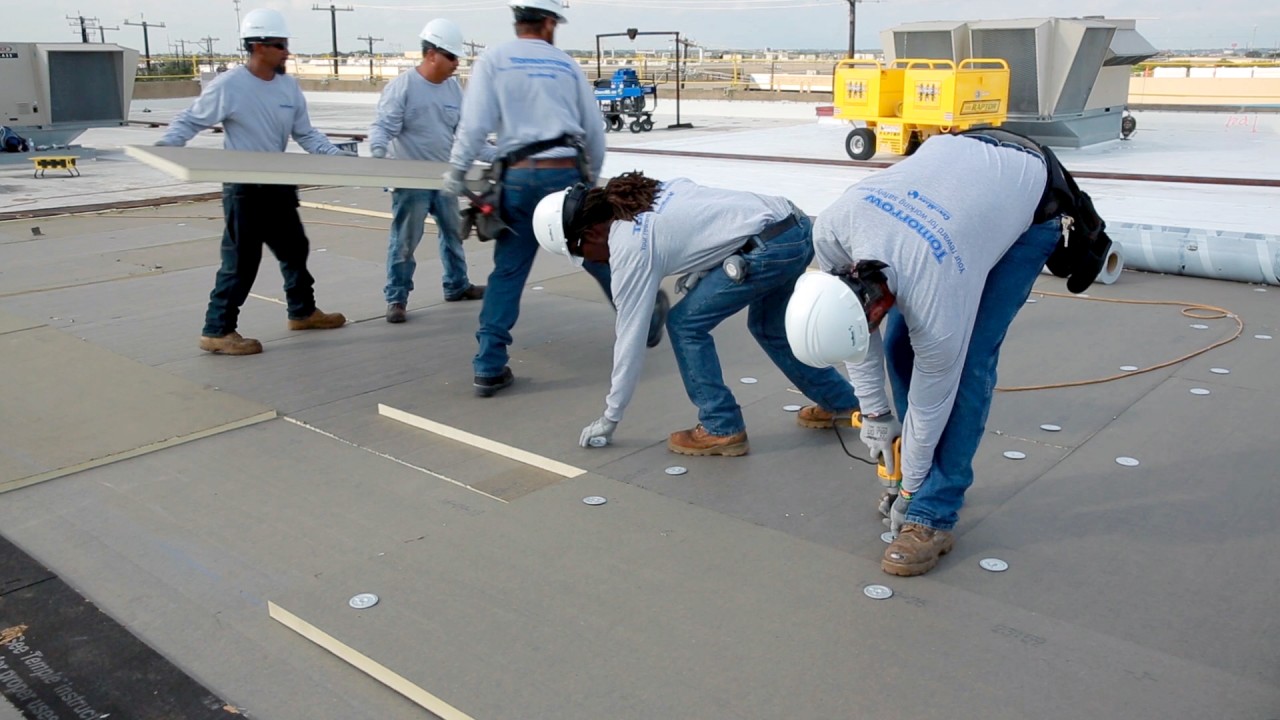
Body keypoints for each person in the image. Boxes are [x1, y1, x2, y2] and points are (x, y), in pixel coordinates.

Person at [787, 131, 1069, 577]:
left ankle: (932, 515)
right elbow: (860, 345)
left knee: (968, 363)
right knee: (900, 347)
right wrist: (877, 418)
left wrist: (911, 491)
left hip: (1029, 202)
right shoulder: (832, 233)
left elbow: (930, 400)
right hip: (959, 178)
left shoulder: (935, 285)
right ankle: (919, 487)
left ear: (874, 305)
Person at [532, 172, 862, 456]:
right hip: (795, 226)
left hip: (768, 248)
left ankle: (721, 427)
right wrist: (703, 268)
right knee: (768, 327)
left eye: (580, 253)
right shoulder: (644, 193)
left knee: (684, 325)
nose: (591, 261)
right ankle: (841, 403)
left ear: (589, 234)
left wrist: (611, 416)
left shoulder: (628, 248)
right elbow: (705, 221)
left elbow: (629, 340)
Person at [442, 0, 666, 398]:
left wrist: (457, 173)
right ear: (548, 23)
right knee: (594, 256)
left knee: (508, 271)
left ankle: (489, 366)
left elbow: (474, 124)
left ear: (517, 21)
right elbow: (594, 133)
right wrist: (589, 186)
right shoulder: (565, 65)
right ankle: (645, 320)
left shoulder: (494, 59)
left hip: (517, 177)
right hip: (563, 174)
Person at [157, 7, 347, 355]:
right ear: (258, 46)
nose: (286, 52)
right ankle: (217, 330)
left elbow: (306, 133)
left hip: (278, 184)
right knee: (241, 261)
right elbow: (190, 120)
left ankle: (302, 311)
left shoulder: (288, 87)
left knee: (295, 250)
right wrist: (165, 150)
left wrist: (338, 157)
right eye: (280, 45)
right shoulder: (230, 85)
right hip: (244, 189)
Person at [369, 18, 485, 324]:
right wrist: (377, 158)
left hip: (445, 178)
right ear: (431, 53)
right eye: (451, 57)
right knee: (405, 241)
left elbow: (464, 133)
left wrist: (500, 153)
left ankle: (457, 285)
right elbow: (383, 127)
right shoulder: (404, 87)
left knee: (453, 234)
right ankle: (397, 296)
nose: (456, 64)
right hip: (411, 182)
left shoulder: (453, 90)